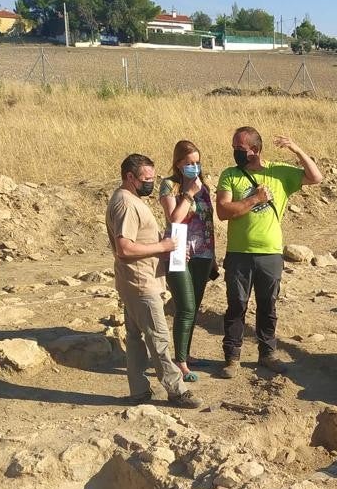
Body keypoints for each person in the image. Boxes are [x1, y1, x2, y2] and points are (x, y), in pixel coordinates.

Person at [215, 126, 323, 377]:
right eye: (234, 148)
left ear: (255, 149)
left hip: (270, 252)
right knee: (236, 305)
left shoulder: (278, 172)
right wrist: (254, 199)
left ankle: (267, 353)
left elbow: (316, 177)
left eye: (240, 149)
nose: (235, 153)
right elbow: (223, 211)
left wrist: (296, 148)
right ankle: (232, 358)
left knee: (267, 305)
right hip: (239, 252)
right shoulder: (230, 175)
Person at [106, 153, 200, 408]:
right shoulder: (126, 203)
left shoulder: (127, 198)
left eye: (153, 177)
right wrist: (163, 245)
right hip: (140, 281)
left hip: (134, 280)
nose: (151, 182)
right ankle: (176, 390)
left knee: (135, 339)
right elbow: (124, 248)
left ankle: (139, 391)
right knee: (158, 338)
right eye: (146, 178)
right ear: (130, 177)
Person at [158, 139, 217, 382]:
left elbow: (209, 221)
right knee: (186, 307)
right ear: (178, 163)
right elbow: (174, 218)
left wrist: (213, 255)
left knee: (195, 308)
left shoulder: (204, 187)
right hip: (178, 250)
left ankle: (186, 353)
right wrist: (189, 194)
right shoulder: (168, 186)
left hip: (202, 252)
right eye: (189, 163)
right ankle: (179, 362)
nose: (194, 166)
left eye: (197, 162)